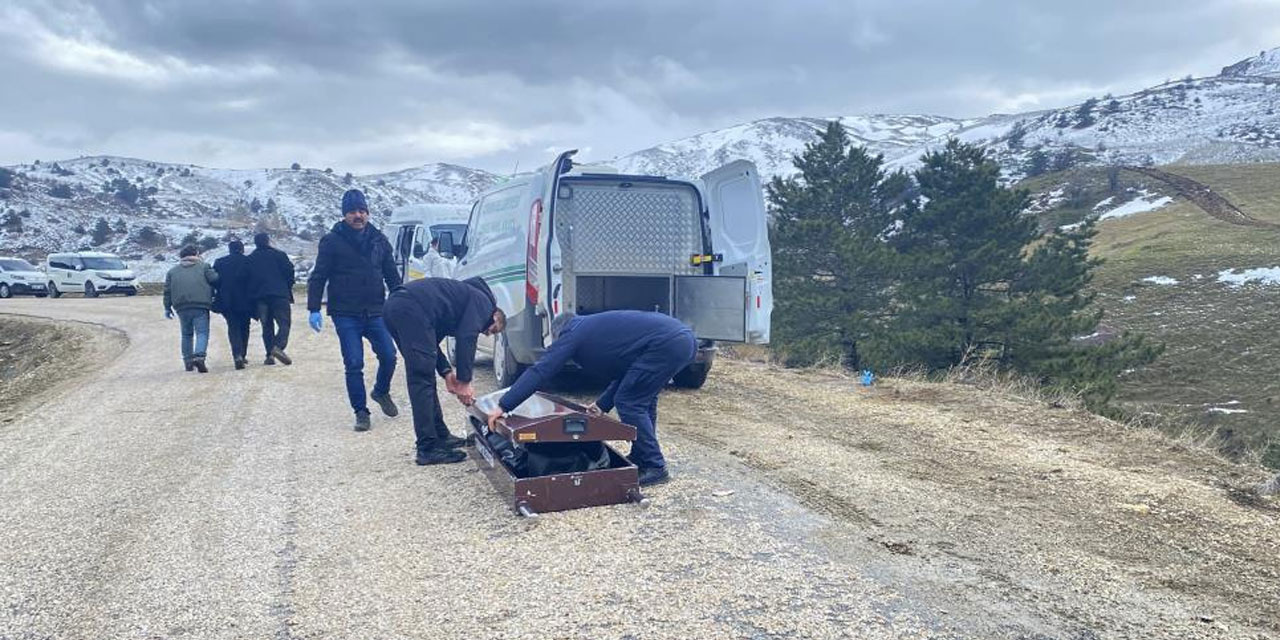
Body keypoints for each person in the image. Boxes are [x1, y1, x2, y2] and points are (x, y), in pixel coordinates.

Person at [485, 311, 694, 486]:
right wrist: (602, 405)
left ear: (559, 332)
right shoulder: (592, 329)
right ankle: (643, 455)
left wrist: (504, 405)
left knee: (630, 402)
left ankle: (654, 465)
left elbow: (541, 370)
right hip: (680, 340)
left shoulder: (574, 332)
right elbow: (627, 374)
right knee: (640, 398)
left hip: (667, 343)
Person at [307, 189, 404, 432]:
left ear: (368, 213)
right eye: (352, 212)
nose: (358, 216)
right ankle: (361, 412)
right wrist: (313, 308)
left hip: (376, 310)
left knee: (390, 356)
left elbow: (392, 275)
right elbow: (318, 276)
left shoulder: (380, 240)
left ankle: (381, 391)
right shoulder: (331, 241)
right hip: (345, 312)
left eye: (362, 211)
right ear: (344, 215)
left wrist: (402, 301)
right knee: (353, 362)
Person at [382, 277, 505, 465]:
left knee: (424, 370)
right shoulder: (484, 304)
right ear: (496, 316)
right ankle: (427, 448)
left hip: (397, 308)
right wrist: (464, 382)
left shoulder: (458, 304)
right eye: (493, 330)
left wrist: (447, 372)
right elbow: (467, 337)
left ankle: (440, 434)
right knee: (421, 378)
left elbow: (430, 346)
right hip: (410, 308)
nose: (487, 333)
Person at [163, 244, 220, 373]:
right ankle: (199, 356)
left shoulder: (172, 271)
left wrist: (167, 307)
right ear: (196, 254)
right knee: (202, 332)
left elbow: (167, 291)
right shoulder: (203, 266)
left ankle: (188, 362)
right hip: (200, 305)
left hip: (181, 306)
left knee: (186, 334)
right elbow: (215, 279)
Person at [246, 232, 296, 366]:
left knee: (267, 326)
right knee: (284, 324)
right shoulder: (279, 255)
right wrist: (287, 286)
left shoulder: (250, 259)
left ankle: (269, 355)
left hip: (260, 298)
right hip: (279, 295)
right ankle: (278, 347)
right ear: (268, 241)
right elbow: (290, 272)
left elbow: (247, 279)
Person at [213, 239, 253, 370]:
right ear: (242, 249)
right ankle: (243, 354)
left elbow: (215, 281)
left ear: (229, 249)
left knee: (233, 327)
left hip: (227, 300)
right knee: (245, 326)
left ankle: (237, 355)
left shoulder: (219, 262)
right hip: (246, 300)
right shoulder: (248, 261)